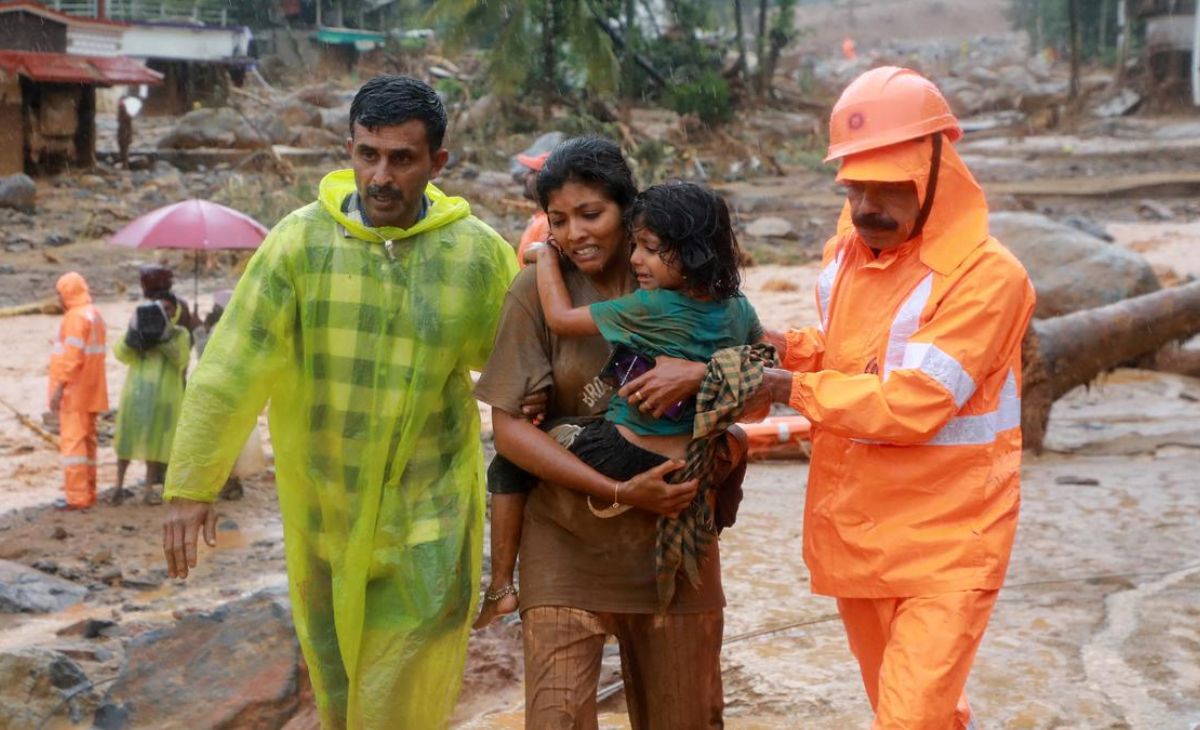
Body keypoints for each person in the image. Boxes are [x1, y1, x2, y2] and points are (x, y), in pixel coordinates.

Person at [159, 75, 518, 729]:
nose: (380, 176)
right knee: (340, 698)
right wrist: (191, 482)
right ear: (348, 149)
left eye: (402, 159)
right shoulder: (300, 246)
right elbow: (232, 366)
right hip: (324, 520)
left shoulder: (474, 257)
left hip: (427, 524)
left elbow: (531, 370)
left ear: (438, 163)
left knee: (394, 705)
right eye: (367, 154)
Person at [753, 67, 1036, 729]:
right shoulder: (849, 254)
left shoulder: (988, 278)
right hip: (859, 528)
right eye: (856, 189)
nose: (868, 208)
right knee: (912, 712)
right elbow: (854, 355)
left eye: (889, 189)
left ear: (938, 173)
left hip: (950, 542)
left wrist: (789, 386)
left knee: (908, 720)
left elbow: (916, 401)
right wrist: (783, 347)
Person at [474, 137, 741, 729]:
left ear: (629, 209)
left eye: (591, 215)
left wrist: (701, 376)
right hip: (565, 543)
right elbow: (511, 434)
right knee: (556, 718)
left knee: (687, 718)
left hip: (673, 548)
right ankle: (502, 586)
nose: (575, 235)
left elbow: (760, 390)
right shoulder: (537, 295)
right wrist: (617, 489)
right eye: (558, 220)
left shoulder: (693, 290)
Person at [111, 297, 190, 506]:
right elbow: (120, 353)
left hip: (163, 398)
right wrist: (132, 332)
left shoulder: (179, 334)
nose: (164, 312)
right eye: (160, 308)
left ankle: (147, 490)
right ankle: (118, 487)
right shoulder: (141, 332)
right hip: (136, 394)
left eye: (168, 308)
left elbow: (180, 359)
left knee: (156, 443)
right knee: (126, 441)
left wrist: (163, 338)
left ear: (176, 311)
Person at [47, 272, 108, 511]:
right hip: (93, 390)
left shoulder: (74, 317)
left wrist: (58, 389)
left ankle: (77, 497)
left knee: (73, 448)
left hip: (75, 393)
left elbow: (71, 358)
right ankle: (88, 492)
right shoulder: (95, 315)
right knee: (88, 445)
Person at [514, 149, 551, 266]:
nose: (525, 175)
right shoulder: (541, 218)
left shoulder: (548, 223)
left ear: (544, 179)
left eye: (532, 171)